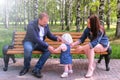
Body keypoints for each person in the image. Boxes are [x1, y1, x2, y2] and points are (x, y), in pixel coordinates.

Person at [19, 12, 62, 78]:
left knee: (48, 51)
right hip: (30, 42)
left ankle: (36, 69)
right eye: (44, 22)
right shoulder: (31, 25)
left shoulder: (46, 25)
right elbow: (35, 38)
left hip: (40, 43)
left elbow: (49, 35)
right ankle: (26, 67)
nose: (46, 24)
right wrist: (47, 46)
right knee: (28, 49)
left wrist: (56, 38)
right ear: (39, 20)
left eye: (47, 22)